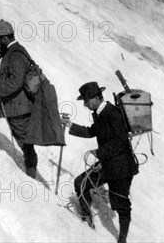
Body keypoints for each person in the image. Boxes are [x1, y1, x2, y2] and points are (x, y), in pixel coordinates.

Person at [62, 82, 138, 242]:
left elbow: (120, 142)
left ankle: (122, 239)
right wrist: (70, 125)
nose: (85, 104)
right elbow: (91, 131)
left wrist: (99, 152)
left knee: (121, 204)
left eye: (87, 101)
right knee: (80, 183)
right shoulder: (99, 113)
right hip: (107, 164)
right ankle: (87, 221)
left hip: (121, 167)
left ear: (97, 98)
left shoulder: (113, 114)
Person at [0, 20, 38, 178]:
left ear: (4, 38)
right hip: (11, 102)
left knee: (25, 143)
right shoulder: (13, 52)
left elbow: (15, 83)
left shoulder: (15, 54)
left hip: (18, 106)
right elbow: (11, 76)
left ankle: (31, 177)